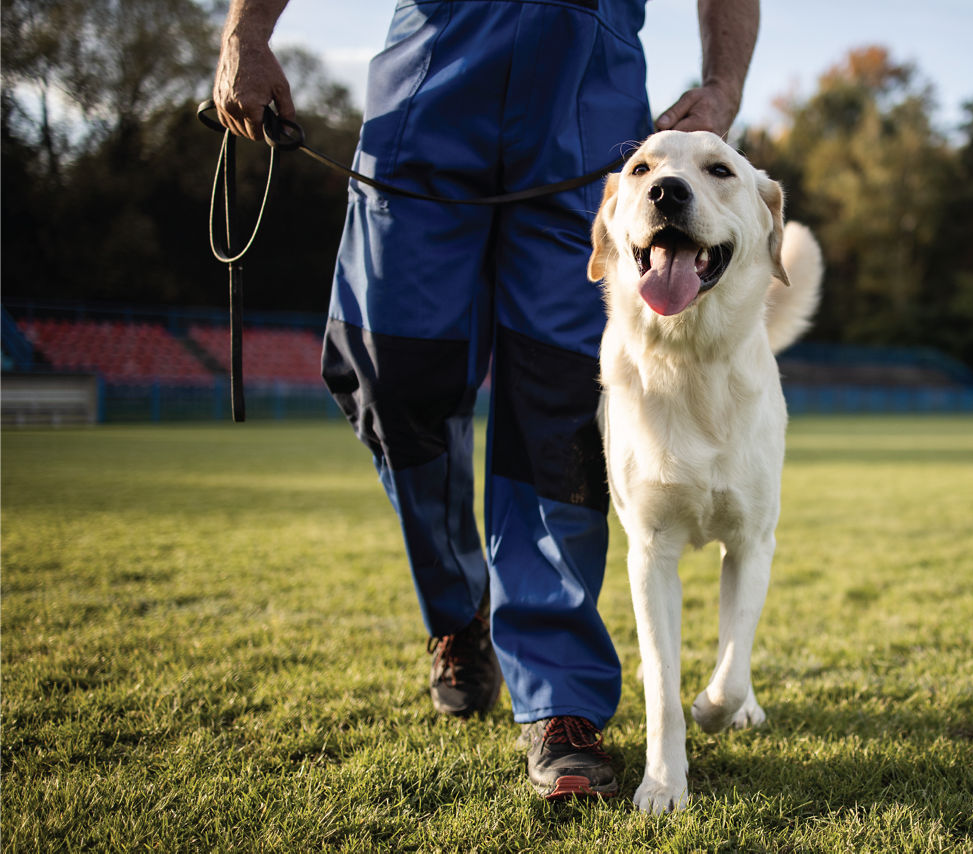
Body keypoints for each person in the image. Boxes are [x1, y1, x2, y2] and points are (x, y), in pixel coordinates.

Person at [213, 0, 758, 800]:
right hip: (431, 85)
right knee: (388, 374)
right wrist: (244, 32)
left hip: (586, 104)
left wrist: (722, 85)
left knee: (562, 412)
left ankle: (561, 700)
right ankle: (458, 611)